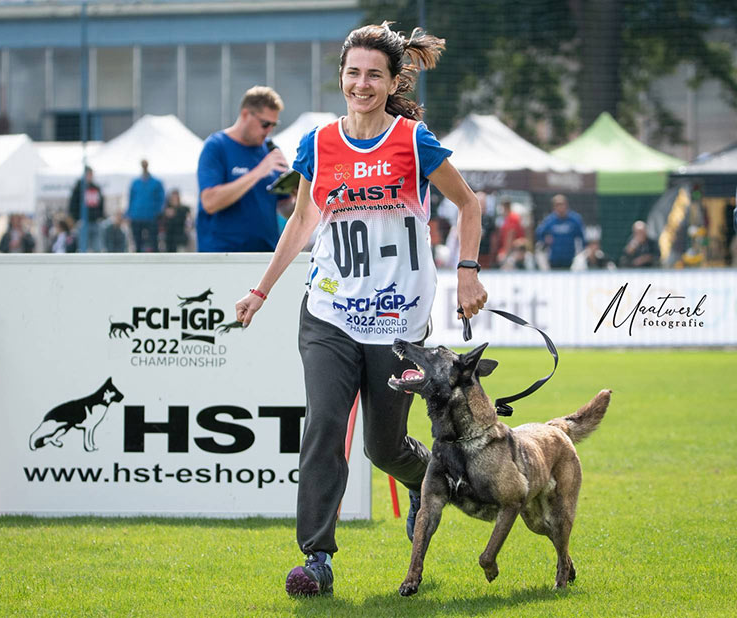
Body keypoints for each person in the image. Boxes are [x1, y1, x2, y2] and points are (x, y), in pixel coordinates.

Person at [234, 22, 487, 597]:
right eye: (353, 73)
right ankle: (316, 558)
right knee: (324, 424)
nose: (362, 84)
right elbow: (302, 222)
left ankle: (430, 479)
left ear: (394, 80)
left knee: (382, 446)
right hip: (329, 312)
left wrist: (467, 270)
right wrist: (261, 290)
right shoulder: (318, 146)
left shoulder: (414, 142)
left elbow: (469, 204)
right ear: (341, 78)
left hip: (399, 322)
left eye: (374, 74)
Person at [196, 86, 291, 252]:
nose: (269, 131)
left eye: (274, 125)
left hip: (266, 255)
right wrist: (258, 172)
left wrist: (302, 194)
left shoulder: (270, 150)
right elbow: (209, 202)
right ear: (246, 114)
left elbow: (284, 206)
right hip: (222, 255)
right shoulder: (216, 146)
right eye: (265, 124)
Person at [535, 194, 586, 269]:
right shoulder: (549, 221)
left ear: (566, 205)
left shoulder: (574, 220)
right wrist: (545, 239)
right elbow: (539, 234)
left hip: (570, 258)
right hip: (554, 258)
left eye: (562, 204)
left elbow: (582, 237)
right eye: (557, 205)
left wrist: (580, 253)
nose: (560, 207)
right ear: (554, 207)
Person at [126, 159, 165, 252]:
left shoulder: (156, 182)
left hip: (151, 217)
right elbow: (131, 199)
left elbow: (161, 199)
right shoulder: (135, 182)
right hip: (136, 216)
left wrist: (157, 212)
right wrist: (129, 214)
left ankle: (155, 263)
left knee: (154, 242)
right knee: (137, 243)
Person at [68, 166, 105, 251]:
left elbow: (101, 203)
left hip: (95, 221)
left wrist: (100, 216)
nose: (90, 176)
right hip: (83, 222)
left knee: (97, 247)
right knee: (82, 247)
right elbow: (73, 205)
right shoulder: (78, 189)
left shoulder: (96, 188)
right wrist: (76, 219)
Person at [495, 198, 525, 265]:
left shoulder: (513, 217)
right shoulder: (506, 218)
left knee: (506, 262)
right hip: (508, 249)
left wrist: (505, 253)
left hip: (515, 249)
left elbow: (510, 236)